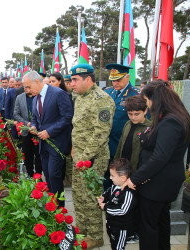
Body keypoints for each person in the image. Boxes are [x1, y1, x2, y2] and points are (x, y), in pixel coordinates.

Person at [122, 80, 190, 250]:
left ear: (155, 99)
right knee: (160, 221)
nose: (148, 105)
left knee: (148, 227)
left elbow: (160, 157)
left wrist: (135, 179)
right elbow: (151, 139)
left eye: (147, 101)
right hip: (158, 180)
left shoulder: (171, 122)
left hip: (158, 182)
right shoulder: (168, 118)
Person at [69, 63, 115, 248]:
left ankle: (95, 235)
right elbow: (78, 126)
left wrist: (84, 157)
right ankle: (83, 229)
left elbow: (101, 133)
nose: (71, 84)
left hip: (92, 158)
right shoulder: (79, 97)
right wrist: (74, 149)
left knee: (90, 197)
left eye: (75, 80)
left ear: (88, 79)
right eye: (71, 80)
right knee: (79, 195)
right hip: (79, 155)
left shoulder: (101, 100)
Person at [27, 71, 73, 207]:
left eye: (29, 87)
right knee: (48, 175)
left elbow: (67, 117)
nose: (28, 91)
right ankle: (52, 206)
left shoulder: (58, 94)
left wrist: (50, 132)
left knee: (54, 175)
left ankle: (60, 208)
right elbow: (35, 117)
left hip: (57, 143)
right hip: (43, 144)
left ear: (37, 81)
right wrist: (34, 126)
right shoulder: (35, 98)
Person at [113, 95, 150, 243]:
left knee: (136, 205)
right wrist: (115, 166)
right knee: (126, 203)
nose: (133, 117)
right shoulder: (128, 124)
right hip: (124, 172)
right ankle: (128, 230)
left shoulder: (149, 128)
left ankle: (135, 232)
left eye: (137, 114)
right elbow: (121, 144)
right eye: (130, 114)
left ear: (145, 111)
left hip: (138, 174)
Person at [104, 64, 141, 190]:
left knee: (121, 177)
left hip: (123, 144)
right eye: (113, 80)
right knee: (107, 177)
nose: (115, 83)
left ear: (128, 77)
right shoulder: (107, 92)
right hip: (106, 143)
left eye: (118, 80)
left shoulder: (136, 95)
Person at [97, 158, 137, 250]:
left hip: (121, 228)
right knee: (113, 244)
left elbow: (122, 210)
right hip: (112, 223)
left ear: (123, 178)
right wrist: (103, 197)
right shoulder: (115, 185)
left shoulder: (128, 193)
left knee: (118, 247)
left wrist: (105, 207)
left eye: (112, 176)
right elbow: (109, 192)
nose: (110, 178)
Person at [14, 87, 42, 177]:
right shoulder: (20, 97)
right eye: (25, 87)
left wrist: (36, 125)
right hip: (26, 130)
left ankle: (38, 175)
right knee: (27, 153)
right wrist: (27, 124)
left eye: (28, 87)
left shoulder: (39, 96)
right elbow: (16, 114)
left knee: (38, 154)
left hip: (39, 130)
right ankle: (30, 174)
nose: (26, 89)